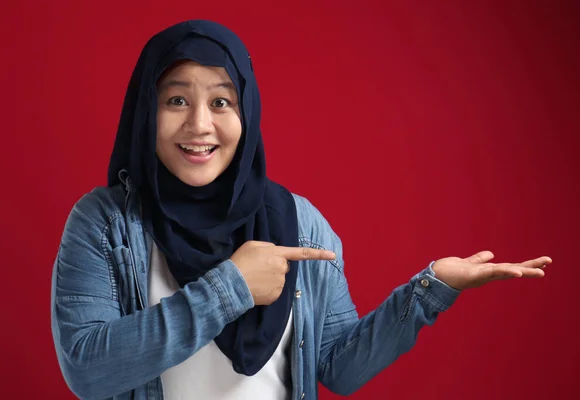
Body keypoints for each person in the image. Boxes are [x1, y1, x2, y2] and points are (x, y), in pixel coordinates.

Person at [50, 20, 551, 400]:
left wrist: (431, 288)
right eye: (176, 100)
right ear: (145, 110)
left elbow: (339, 366)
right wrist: (232, 287)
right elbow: (88, 370)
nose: (200, 124)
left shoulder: (299, 221)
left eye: (222, 103)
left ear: (246, 112)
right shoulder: (104, 223)